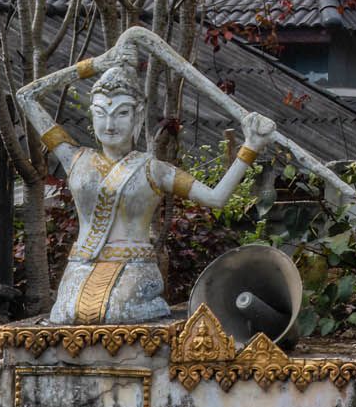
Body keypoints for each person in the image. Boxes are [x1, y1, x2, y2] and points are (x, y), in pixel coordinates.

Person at [17, 35, 275, 325]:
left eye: (121, 113)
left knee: (117, 312)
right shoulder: (75, 158)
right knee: (67, 313)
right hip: (82, 265)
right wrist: (94, 65)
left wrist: (251, 146)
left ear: (138, 116)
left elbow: (216, 198)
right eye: (101, 113)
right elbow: (26, 96)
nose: (110, 124)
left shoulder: (154, 170)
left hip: (134, 265)